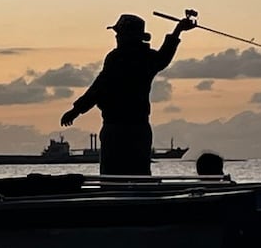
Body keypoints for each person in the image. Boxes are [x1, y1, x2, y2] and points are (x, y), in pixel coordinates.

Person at [61, 11, 196, 176]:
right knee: (139, 177)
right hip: (139, 129)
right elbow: (164, 55)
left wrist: (76, 110)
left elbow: (97, 89)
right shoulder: (148, 58)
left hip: (116, 129)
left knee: (112, 179)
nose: (116, 37)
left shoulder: (116, 58)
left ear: (127, 35)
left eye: (119, 33)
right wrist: (178, 30)